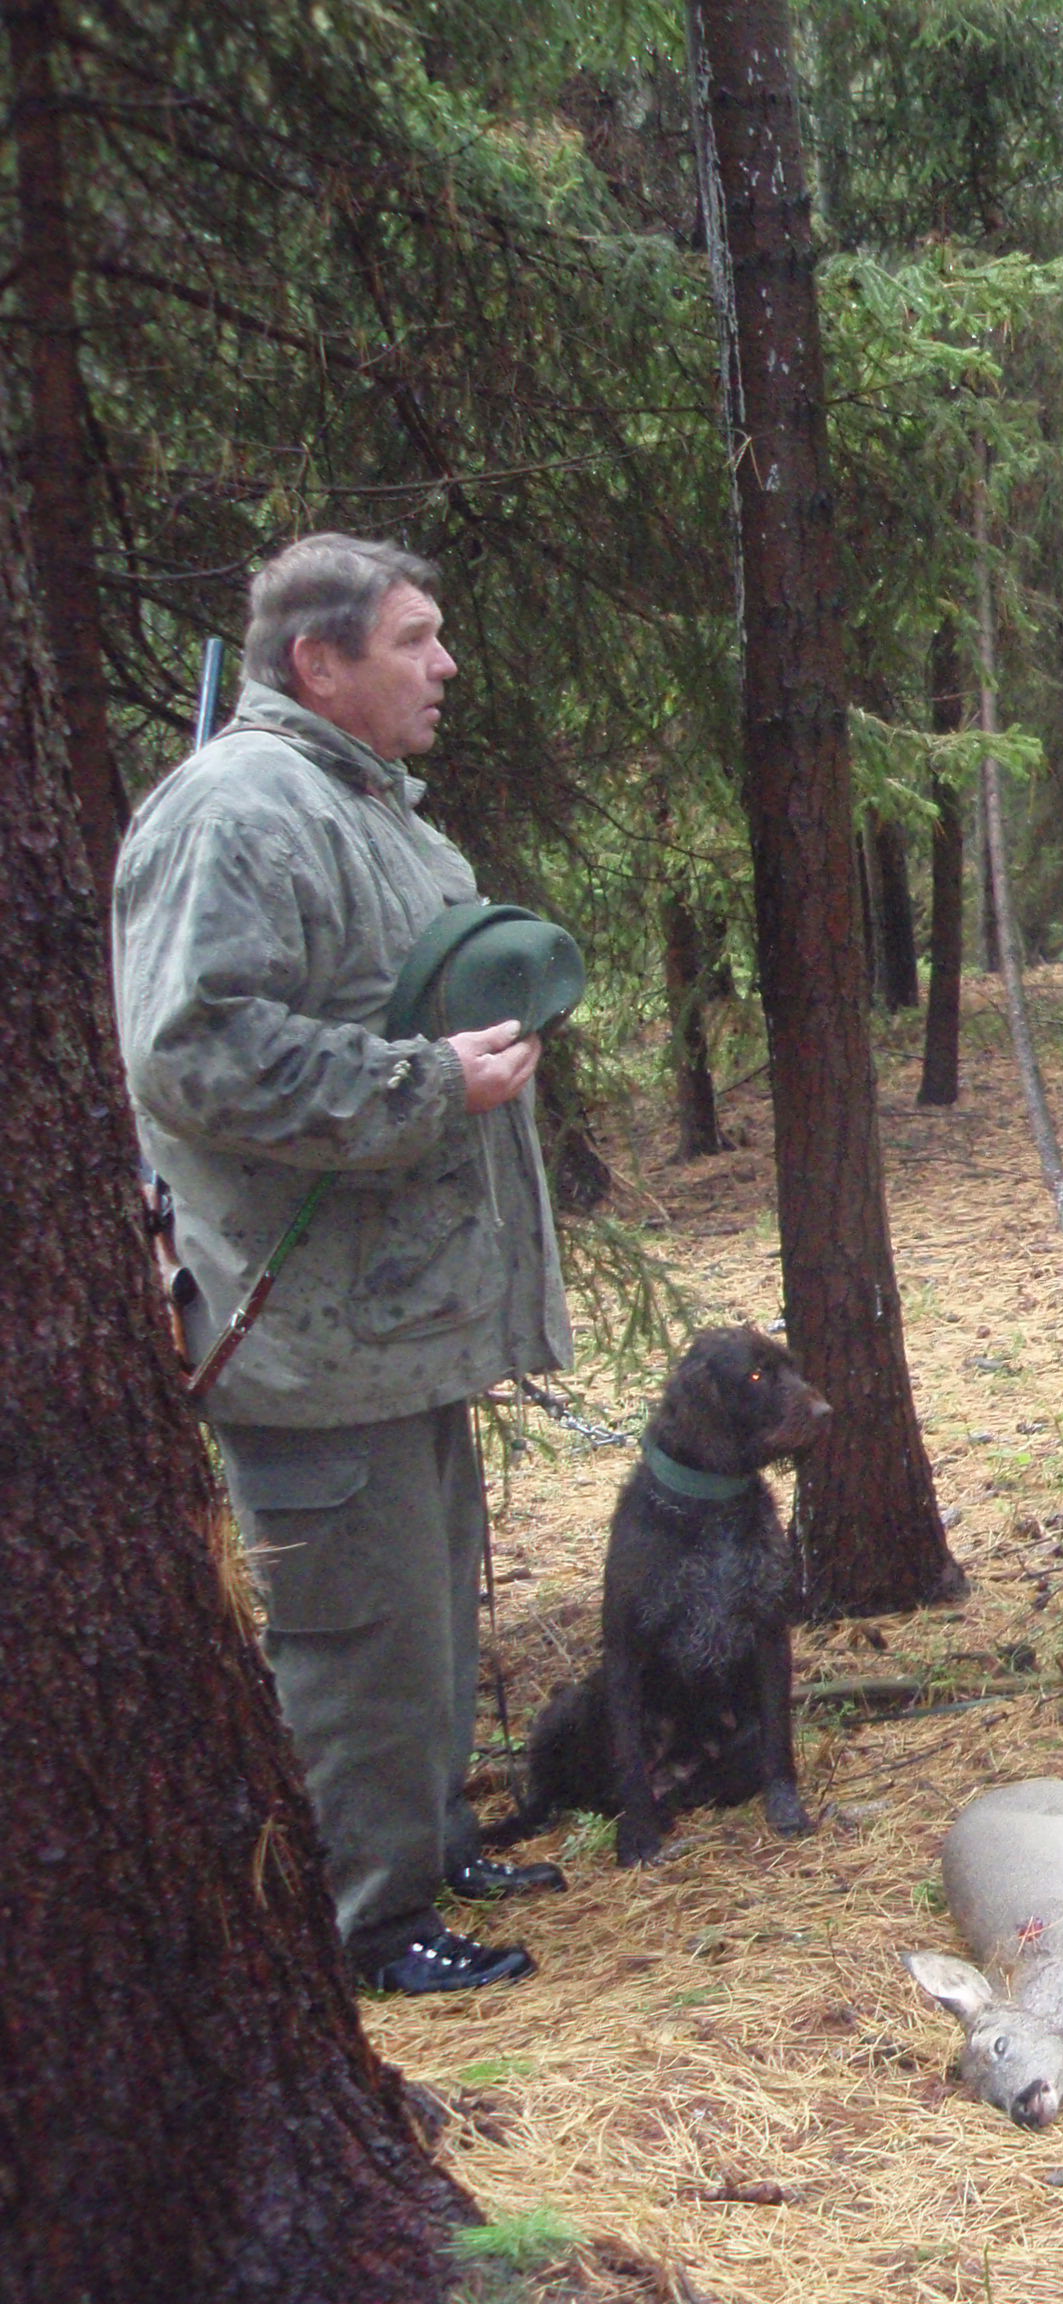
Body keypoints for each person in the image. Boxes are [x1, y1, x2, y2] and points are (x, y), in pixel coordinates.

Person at [113, 535, 574, 1991]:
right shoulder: (237, 812)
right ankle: (372, 1923)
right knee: (354, 1635)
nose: (444, 667)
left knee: (426, 1609)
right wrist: (428, 1087)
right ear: (319, 662)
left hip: (398, 1316)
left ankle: (428, 1842)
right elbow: (192, 1052)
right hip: (304, 1321)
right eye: (414, 641)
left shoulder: (365, 809)